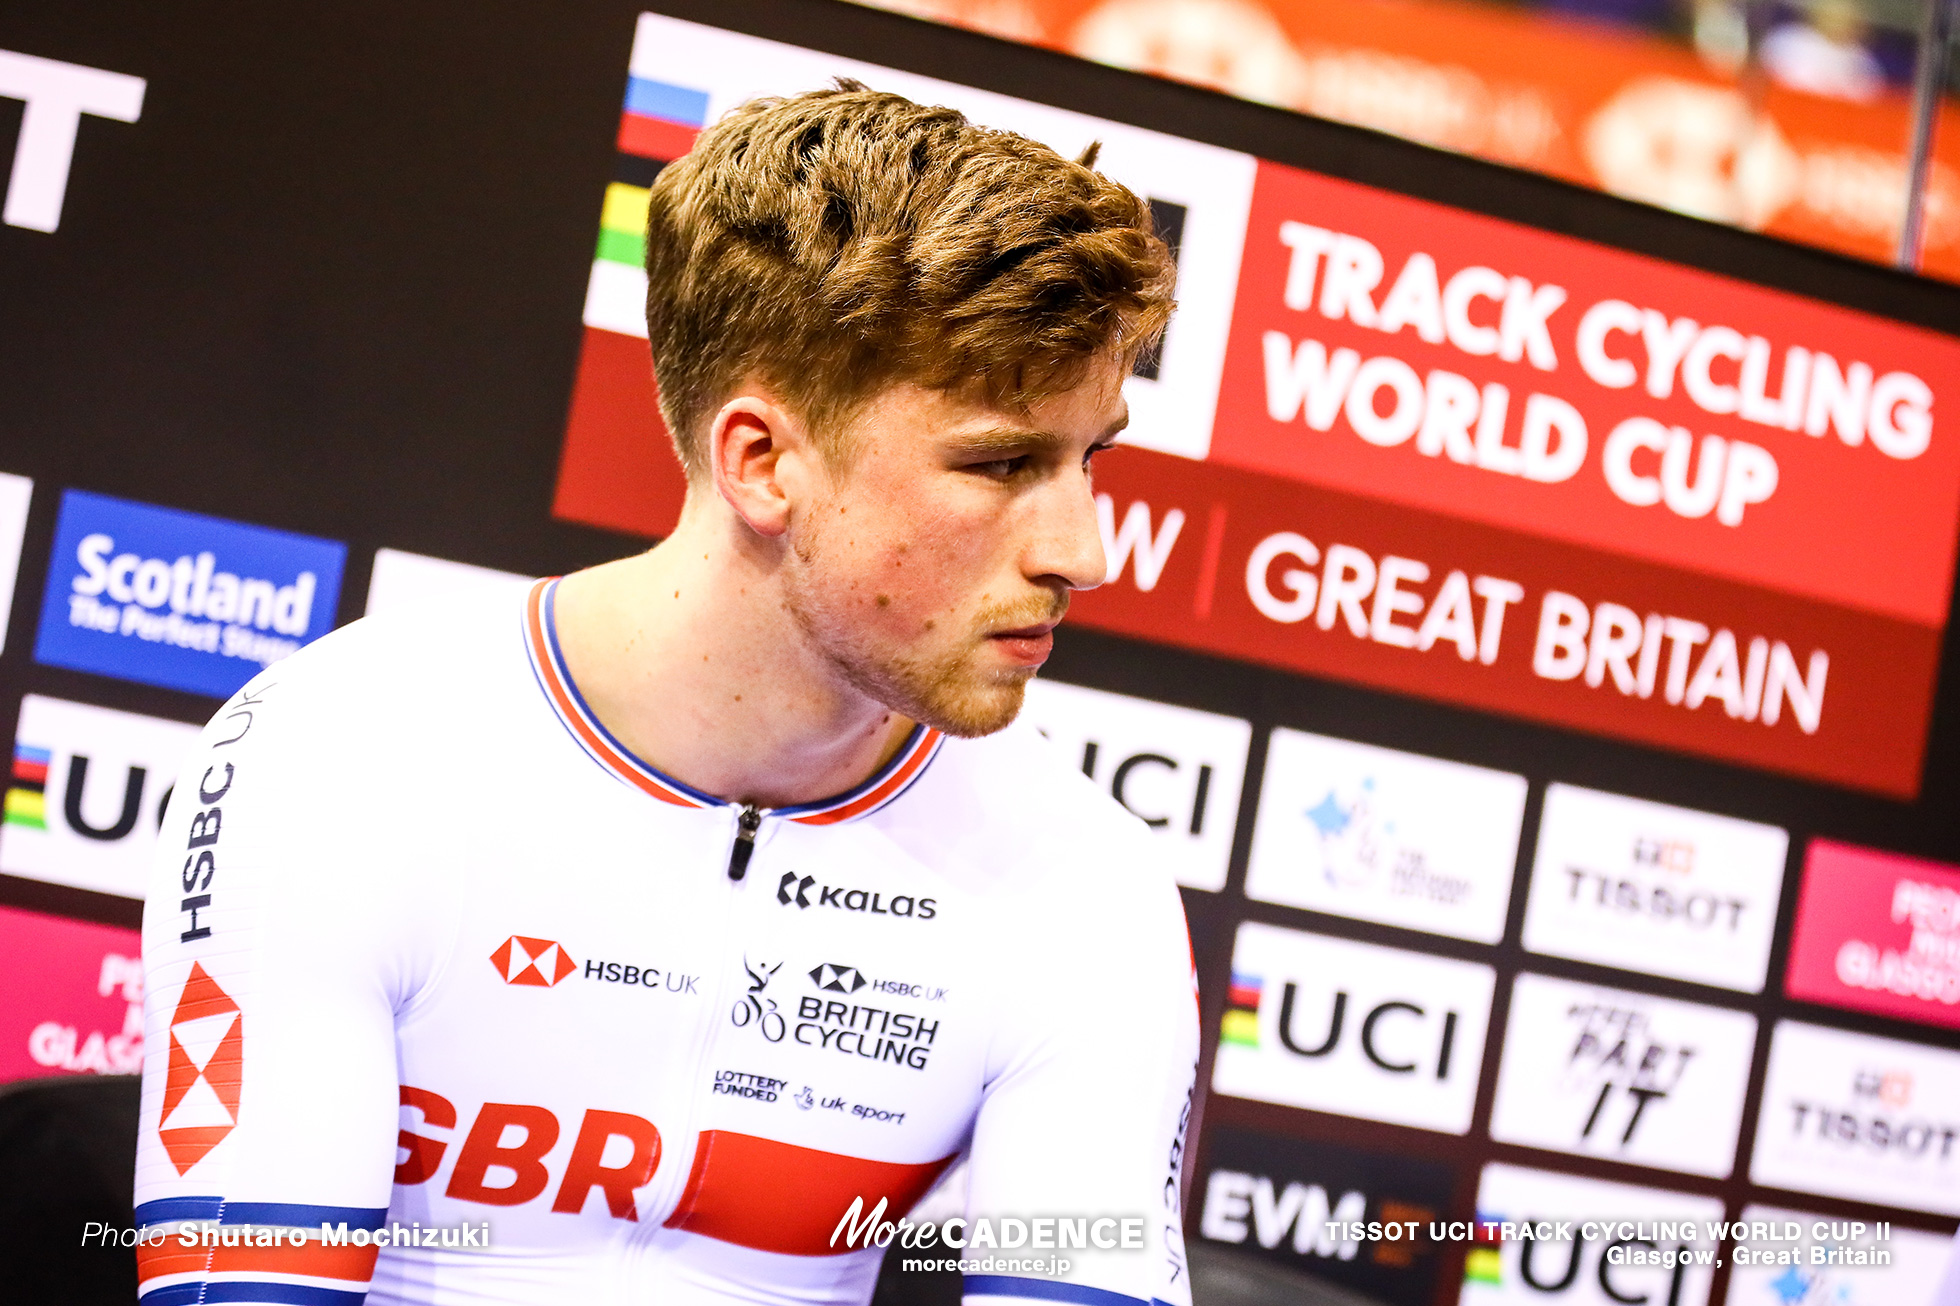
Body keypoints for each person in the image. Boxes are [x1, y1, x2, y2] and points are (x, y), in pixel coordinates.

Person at [132, 81, 1198, 1306]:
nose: (1084, 551)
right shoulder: (342, 757)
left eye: (1089, 458)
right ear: (762, 462)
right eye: (1002, 462)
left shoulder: (1083, 881)